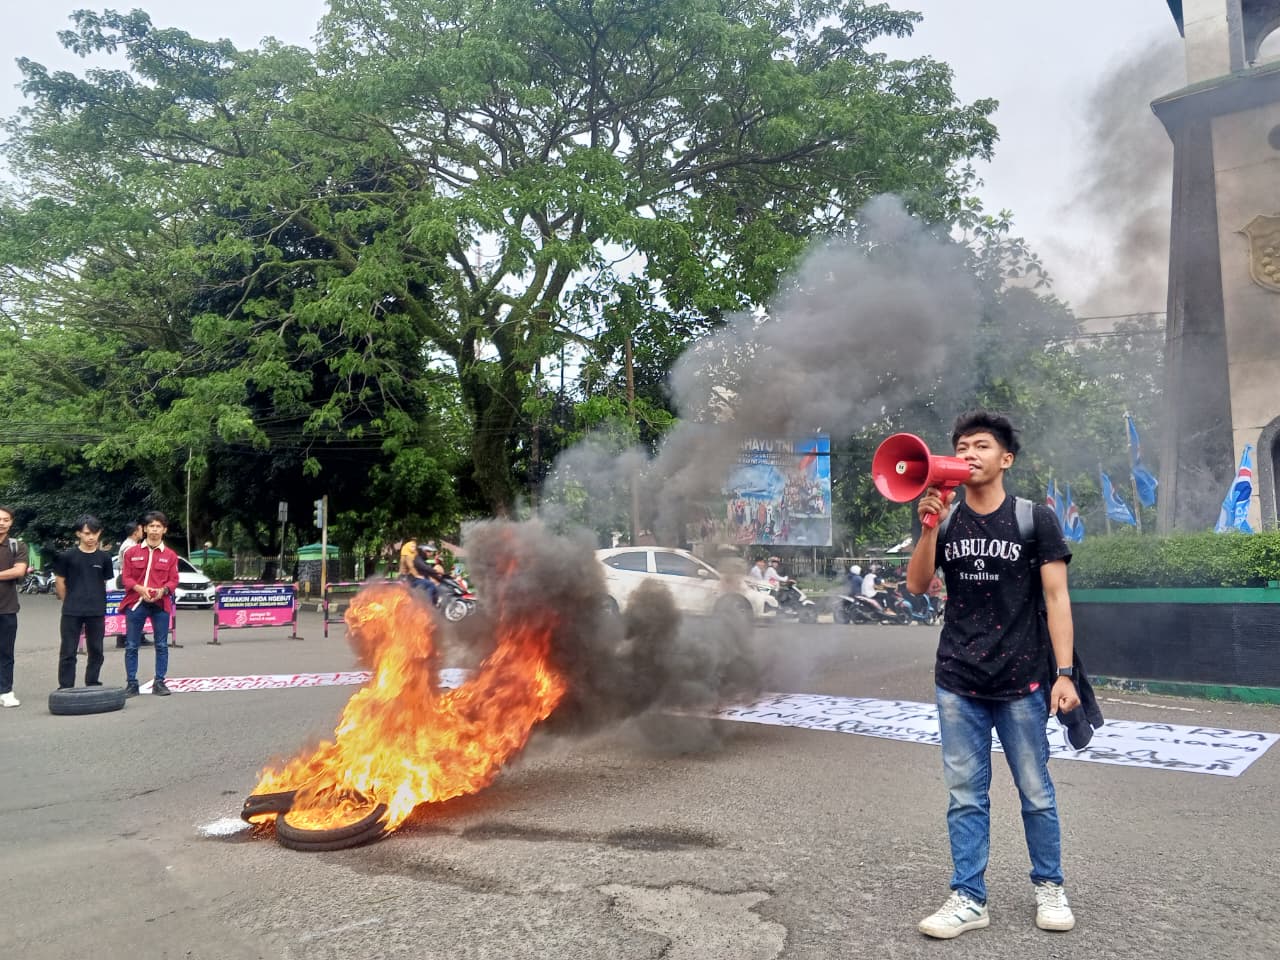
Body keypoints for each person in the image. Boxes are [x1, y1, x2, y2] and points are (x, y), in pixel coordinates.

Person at [906, 410, 1078, 939]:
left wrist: (1065, 673)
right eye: (961, 446)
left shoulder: (1033, 518)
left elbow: (1056, 597)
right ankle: (968, 897)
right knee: (964, 794)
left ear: (1005, 459)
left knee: (1036, 791)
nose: (969, 454)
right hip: (957, 678)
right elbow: (917, 586)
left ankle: (1049, 886)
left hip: (1023, 680)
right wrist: (929, 525)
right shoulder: (946, 517)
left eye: (981, 446)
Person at [119, 511, 180, 698]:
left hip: (160, 604)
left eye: (158, 526)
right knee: (131, 645)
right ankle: (131, 683)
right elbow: (126, 578)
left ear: (164, 530)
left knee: (161, 644)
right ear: (144, 529)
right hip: (136, 603)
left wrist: (162, 591)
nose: (154, 530)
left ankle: (159, 682)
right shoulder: (131, 553)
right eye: (151, 526)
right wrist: (139, 589)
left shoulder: (170, 556)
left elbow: (173, 580)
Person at [53, 515, 114, 690]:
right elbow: (60, 582)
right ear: (78, 533)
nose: (91, 537)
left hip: (96, 610)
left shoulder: (104, 558)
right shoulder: (66, 556)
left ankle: (93, 682)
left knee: (96, 650)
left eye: (95, 533)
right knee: (68, 651)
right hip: (72, 610)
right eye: (87, 533)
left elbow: (103, 581)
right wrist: (69, 601)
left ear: (100, 533)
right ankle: (66, 686)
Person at [0, 505, 30, 708]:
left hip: (7, 608)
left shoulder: (17, 546)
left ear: (11, 523)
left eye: (6, 519)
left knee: (5, 652)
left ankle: (5, 691)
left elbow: (19, 571)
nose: (1, 523)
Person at [112, 520, 144, 647]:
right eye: (141, 530)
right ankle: (123, 637)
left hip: (133, 579)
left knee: (139, 607)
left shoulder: (133, 544)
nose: (143, 532)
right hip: (129, 579)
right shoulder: (129, 547)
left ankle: (139, 635)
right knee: (130, 607)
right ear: (135, 532)